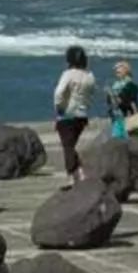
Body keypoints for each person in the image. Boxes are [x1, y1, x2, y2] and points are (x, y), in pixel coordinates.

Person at [53, 45, 96, 187]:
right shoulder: (89, 75)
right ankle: (80, 173)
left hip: (67, 115)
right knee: (70, 145)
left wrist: (59, 107)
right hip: (82, 115)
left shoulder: (68, 74)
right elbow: (91, 93)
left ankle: (72, 176)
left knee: (67, 147)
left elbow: (59, 93)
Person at [106, 60, 138, 139]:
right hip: (117, 115)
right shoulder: (115, 85)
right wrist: (110, 95)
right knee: (118, 136)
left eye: (118, 69)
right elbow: (111, 102)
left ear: (126, 70)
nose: (116, 71)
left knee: (130, 136)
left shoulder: (131, 85)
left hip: (128, 115)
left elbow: (129, 101)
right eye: (115, 70)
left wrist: (115, 96)